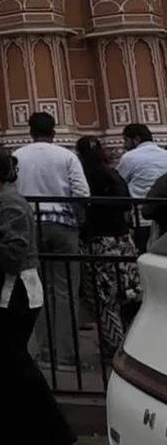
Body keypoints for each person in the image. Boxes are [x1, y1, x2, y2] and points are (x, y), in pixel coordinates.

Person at [0, 145, 77, 445]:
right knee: (0, 362)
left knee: (15, 361)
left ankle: (54, 430)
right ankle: (7, 427)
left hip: (14, 293)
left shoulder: (9, 203)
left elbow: (16, 251)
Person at [13, 111, 89, 369]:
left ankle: (46, 353)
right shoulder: (66, 156)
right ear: (53, 131)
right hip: (62, 224)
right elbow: (82, 192)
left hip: (30, 225)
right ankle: (66, 355)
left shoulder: (18, 155)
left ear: (30, 130)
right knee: (65, 290)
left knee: (38, 290)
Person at [75, 135, 141, 362]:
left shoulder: (84, 178)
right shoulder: (114, 175)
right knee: (127, 294)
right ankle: (131, 343)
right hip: (122, 241)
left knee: (103, 297)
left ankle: (115, 346)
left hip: (98, 242)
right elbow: (127, 208)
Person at [117, 123, 167, 252]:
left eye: (126, 140)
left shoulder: (129, 157)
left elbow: (119, 183)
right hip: (163, 216)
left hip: (141, 218)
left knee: (145, 254)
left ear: (136, 139)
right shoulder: (165, 154)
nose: (124, 145)